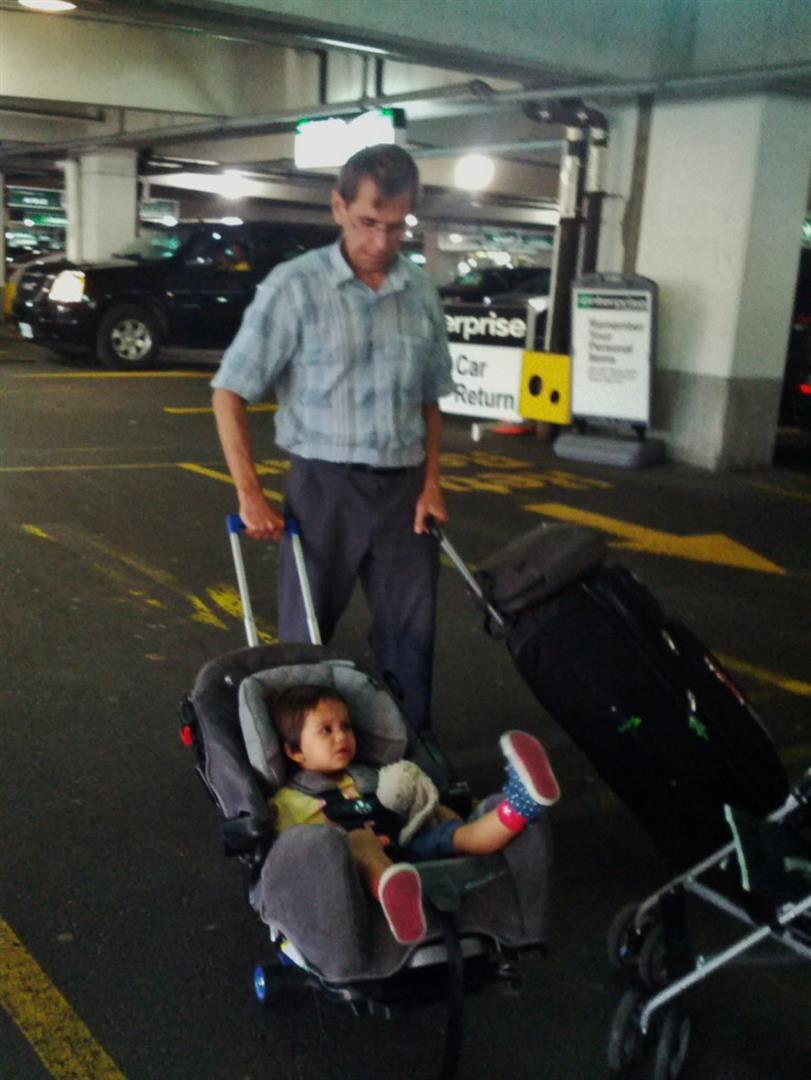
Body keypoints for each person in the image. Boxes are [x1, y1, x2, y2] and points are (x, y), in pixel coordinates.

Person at [211, 144, 454, 734]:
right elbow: (230, 392)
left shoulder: (420, 292)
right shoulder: (294, 287)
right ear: (339, 206)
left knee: (410, 637)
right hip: (325, 487)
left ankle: (410, 755)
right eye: (369, 222)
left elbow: (429, 399)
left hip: (404, 494)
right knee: (306, 638)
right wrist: (251, 494)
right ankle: (298, 759)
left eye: (397, 227)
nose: (381, 241)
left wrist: (432, 484)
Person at [269, 684, 560, 946]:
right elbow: (295, 852)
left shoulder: (369, 778)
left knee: (459, 836)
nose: (342, 736)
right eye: (326, 730)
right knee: (360, 844)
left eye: (346, 726)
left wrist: (438, 813)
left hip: (406, 845)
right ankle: (392, 892)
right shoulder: (291, 799)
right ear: (295, 751)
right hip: (350, 874)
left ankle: (519, 805)